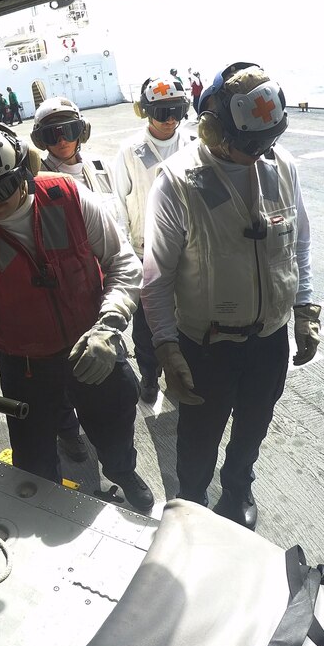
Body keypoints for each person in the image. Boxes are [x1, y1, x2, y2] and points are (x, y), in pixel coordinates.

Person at [0, 120, 155, 512]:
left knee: (113, 423)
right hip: (26, 367)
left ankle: (123, 473)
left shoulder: (68, 196)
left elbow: (122, 263)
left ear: (24, 171)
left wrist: (109, 326)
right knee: (34, 463)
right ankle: (53, 500)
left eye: (1, 190)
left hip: (93, 345)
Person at [141, 62, 318, 530]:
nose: (257, 155)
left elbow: (298, 240)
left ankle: (238, 486)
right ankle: (193, 504)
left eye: (267, 142)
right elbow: (156, 278)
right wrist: (165, 345)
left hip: (269, 341)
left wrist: (305, 307)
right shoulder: (177, 182)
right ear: (212, 127)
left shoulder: (281, 167)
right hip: (207, 347)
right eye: (248, 145)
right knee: (198, 437)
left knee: (254, 425)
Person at [29, 96, 123, 462]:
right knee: (64, 372)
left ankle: (113, 451)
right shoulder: (41, 184)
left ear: (81, 131)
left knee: (107, 370)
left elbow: (119, 225)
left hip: (108, 287)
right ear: (41, 141)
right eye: (52, 135)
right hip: (71, 291)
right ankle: (68, 431)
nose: (62, 140)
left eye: (68, 130)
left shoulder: (99, 167)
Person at [111, 75, 193, 402]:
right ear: (145, 112)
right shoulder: (130, 152)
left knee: (188, 321)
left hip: (189, 254)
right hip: (145, 255)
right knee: (146, 328)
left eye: (177, 110)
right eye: (162, 112)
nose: (171, 118)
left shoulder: (193, 146)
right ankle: (149, 375)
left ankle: (183, 373)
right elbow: (118, 204)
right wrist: (125, 255)